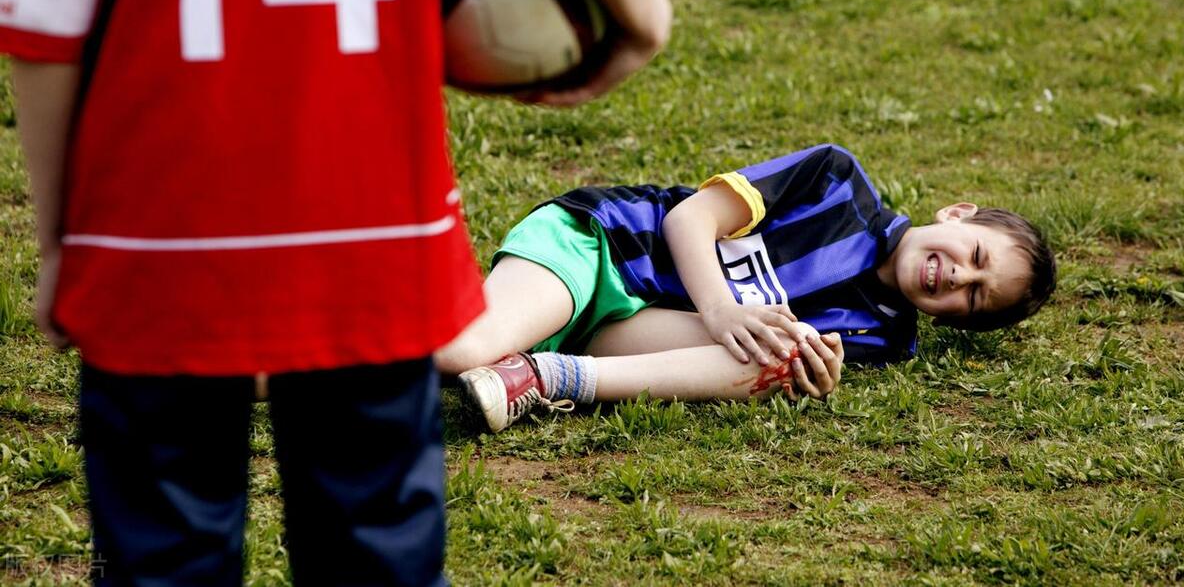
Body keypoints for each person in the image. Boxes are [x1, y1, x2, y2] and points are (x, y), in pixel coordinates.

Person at [0, 0, 669, 584]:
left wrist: (60, 237)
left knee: (162, 557)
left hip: (159, 219)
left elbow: (48, 6)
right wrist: (641, 13)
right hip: (369, 211)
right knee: (375, 547)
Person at [436, 144, 1056, 432]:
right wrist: (722, 308)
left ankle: (547, 379)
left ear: (953, 321)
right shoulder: (836, 182)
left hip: (622, 334)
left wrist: (807, 375)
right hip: (600, 248)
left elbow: (757, 362)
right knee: (461, 352)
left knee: (790, 355)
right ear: (956, 213)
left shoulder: (886, 336)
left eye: (974, 296)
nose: (957, 275)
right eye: (975, 255)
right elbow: (690, 218)